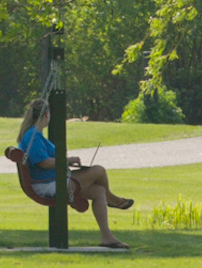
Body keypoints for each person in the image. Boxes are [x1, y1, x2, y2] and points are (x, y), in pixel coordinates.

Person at [16, 99, 135, 249]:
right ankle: (111, 199)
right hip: (49, 185)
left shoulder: (32, 134)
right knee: (99, 170)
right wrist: (67, 160)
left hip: (51, 181)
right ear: (46, 114)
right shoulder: (33, 135)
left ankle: (107, 237)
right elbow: (43, 163)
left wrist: (65, 162)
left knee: (99, 191)